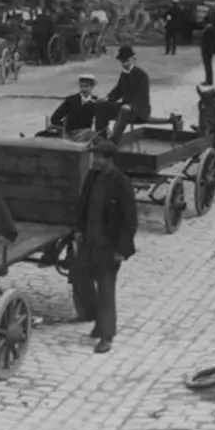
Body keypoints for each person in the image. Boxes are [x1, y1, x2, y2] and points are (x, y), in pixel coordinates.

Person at [73, 137, 139, 354]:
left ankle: (106, 335)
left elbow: (130, 221)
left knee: (106, 290)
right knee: (79, 277)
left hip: (109, 248)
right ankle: (97, 319)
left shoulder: (122, 183)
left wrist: (121, 250)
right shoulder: (93, 176)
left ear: (109, 159)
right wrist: (79, 229)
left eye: (98, 157)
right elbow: (83, 204)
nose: (94, 160)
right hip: (89, 242)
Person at [95, 45, 151, 140]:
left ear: (133, 59)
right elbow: (118, 90)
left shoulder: (141, 75)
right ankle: (100, 139)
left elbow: (142, 96)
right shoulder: (124, 74)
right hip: (125, 107)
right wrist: (108, 98)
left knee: (124, 111)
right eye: (122, 61)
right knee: (101, 106)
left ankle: (113, 142)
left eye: (127, 60)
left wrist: (131, 106)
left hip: (139, 110)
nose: (125, 64)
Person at [200, 11, 215, 86]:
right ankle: (208, 80)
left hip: (207, 51)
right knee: (207, 66)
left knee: (208, 66)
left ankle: (209, 81)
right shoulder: (210, 29)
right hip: (208, 50)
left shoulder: (209, 30)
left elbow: (209, 42)